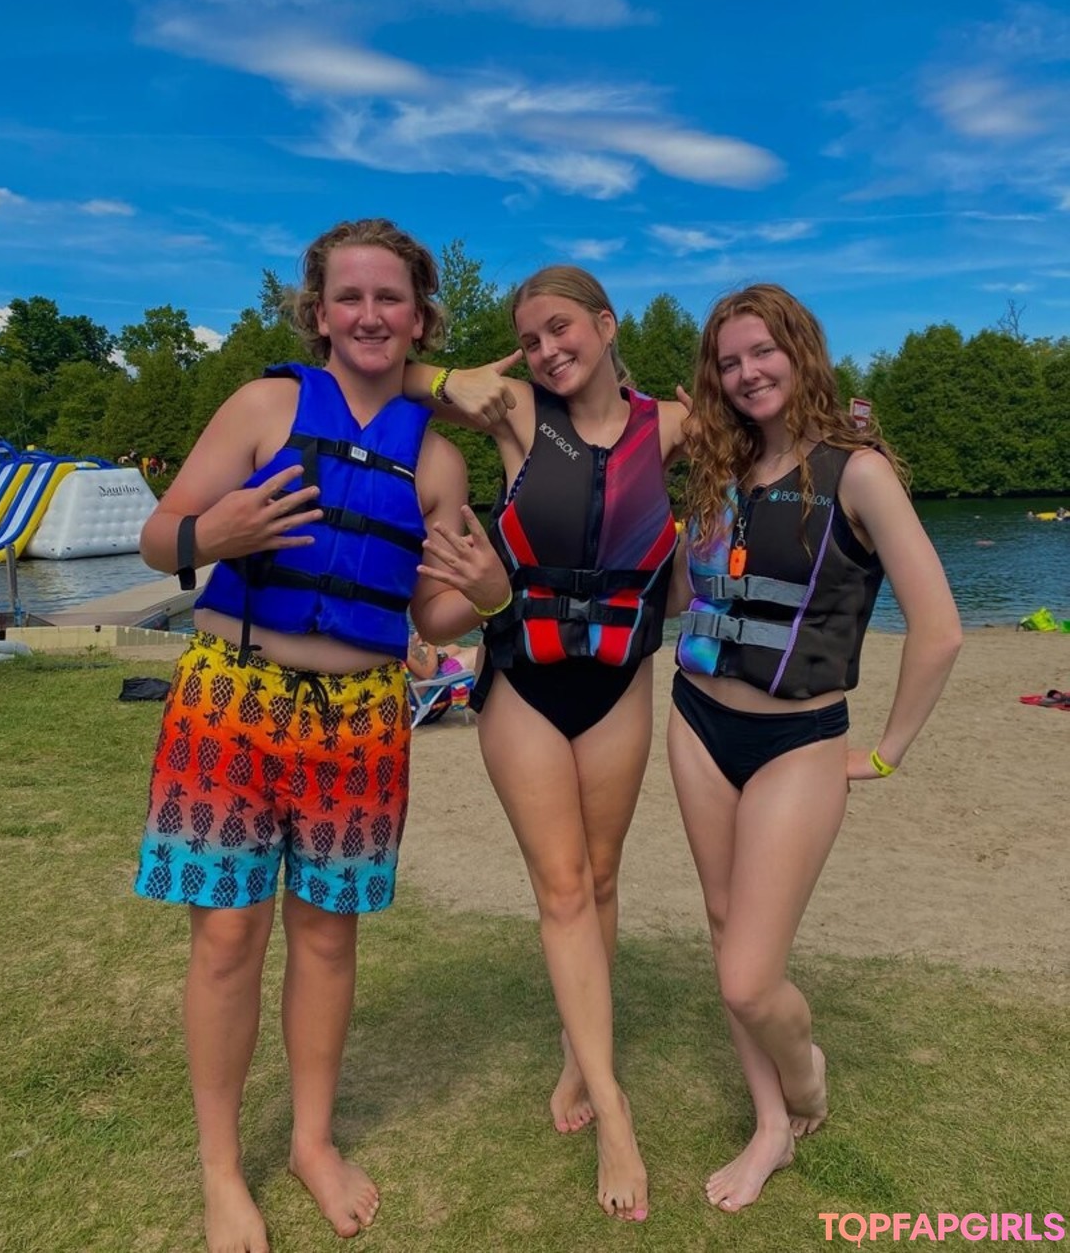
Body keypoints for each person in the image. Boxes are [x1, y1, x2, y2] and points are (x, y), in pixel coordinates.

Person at [134, 218, 510, 1253]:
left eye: (391, 297)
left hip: (362, 717)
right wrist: (212, 535)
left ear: (422, 318)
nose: (370, 314)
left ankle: (310, 1140)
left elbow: (431, 615)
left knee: (329, 936)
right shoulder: (264, 407)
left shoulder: (439, 463)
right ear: (319, 313)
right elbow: (159, 533)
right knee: (226, 936)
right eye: (351, 295)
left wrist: (487, 596)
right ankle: (222, 1169)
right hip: (232, 696)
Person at [667, 284, 962, 1213]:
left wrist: (885, 752)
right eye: (729, 361)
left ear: (801, 350)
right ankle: (770, 1127)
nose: (746, 372)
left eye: (763, 351)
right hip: (695, 720)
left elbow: (941, 630)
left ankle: (806, 1081)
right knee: (724, 927)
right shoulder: (722, 470)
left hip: (798, 736)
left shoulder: (859, 473)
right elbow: (684, 594)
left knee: (750, 979)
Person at [410, 266, 688, 1222]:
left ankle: (581, 1049)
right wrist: (459, 376)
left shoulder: (672, 426)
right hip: (523, 680)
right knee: (563, 886)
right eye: (529, 339)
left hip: (618, 682)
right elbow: (384, 371)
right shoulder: (517, 412)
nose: (546, 350)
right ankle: (613, 1107)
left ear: (607, 324)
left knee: (602, 878)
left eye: (561, 327)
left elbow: (777, 432)